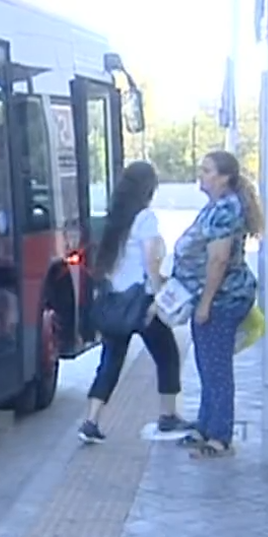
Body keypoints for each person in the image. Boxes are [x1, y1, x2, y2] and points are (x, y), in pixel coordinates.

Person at [78, 161, 184, 444]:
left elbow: (109, 265)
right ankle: (168, 415)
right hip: (142, 302)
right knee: (167, 355)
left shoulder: (115, 220)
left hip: (116, 301)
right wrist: (160, 291)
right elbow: (152, 259)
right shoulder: (145, 218)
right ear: (148, 188)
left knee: (110, 361)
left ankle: (91, 420)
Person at [171, 151, 262, 459]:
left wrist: (206, 303)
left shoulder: (225, 210)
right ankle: (206, 426)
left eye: (207, 170)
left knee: (216, 368)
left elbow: (218, 259)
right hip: (212, 296)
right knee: (207, 364)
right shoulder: (217, 207)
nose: (201, 173)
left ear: (224, 177)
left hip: (223, 299)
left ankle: (219, 437)